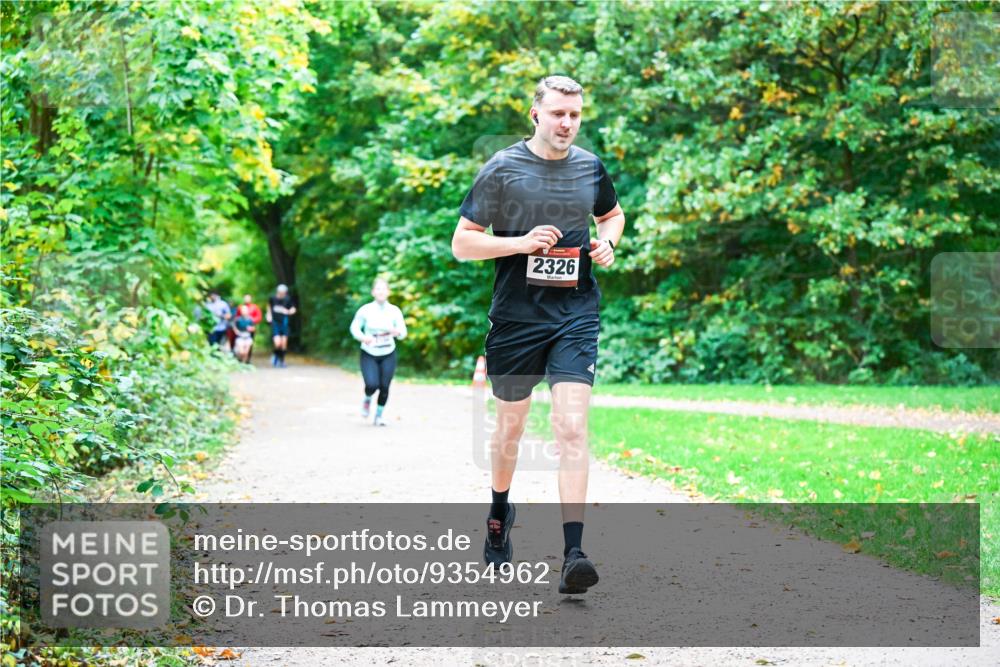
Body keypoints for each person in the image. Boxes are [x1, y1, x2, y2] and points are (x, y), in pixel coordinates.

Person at [451, 75, 625, 595]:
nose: (567, 123)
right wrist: (520, 243)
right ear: (536, 114)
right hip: (516, 319)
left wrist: (608, 243)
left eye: (575, 115)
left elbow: (612, 216)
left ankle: (574, 554)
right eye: (557, 114)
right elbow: (463, 243)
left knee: (571, 427)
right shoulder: (503, 168)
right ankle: (499, 511)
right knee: (511, 429)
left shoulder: (589, 167)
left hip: (575, 312)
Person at [349, 278, 407, 426]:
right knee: (371, 384)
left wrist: (397, 332)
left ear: (388, 292)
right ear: (373, 292)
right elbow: (354, 327)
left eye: (384, 289)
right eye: (378, 289)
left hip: (388, 353)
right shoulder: (365, 310)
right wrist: (363, 337)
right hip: (369, 352)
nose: (381, 292)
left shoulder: (394, 311)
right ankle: (367, 398)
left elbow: (403, 332)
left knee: (385, 386)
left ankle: (379, 416)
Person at [265, 284, 296, 368]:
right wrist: (268, 315)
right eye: (281, 293)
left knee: (283, 343)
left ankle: (282, 361)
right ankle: (276, 356)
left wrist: (289, 311)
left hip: (284, 323)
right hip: (275, 323)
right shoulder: (272, 298)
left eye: (284, 293)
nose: (283, 294)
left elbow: (293, 308)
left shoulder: (287, 299)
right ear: (278, 292)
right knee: (277, 343)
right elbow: (269, 307)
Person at [241, 294, 263, 361]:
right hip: (241, 330)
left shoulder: (254, 307)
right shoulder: (241, 307)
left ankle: (248, 359)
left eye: (248, 298)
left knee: (249, 344)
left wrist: (251, 321)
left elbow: (259, 317)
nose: (246, 299)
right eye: (245, 298)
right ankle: (241, 358)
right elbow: (237, 318)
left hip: (251, 329)